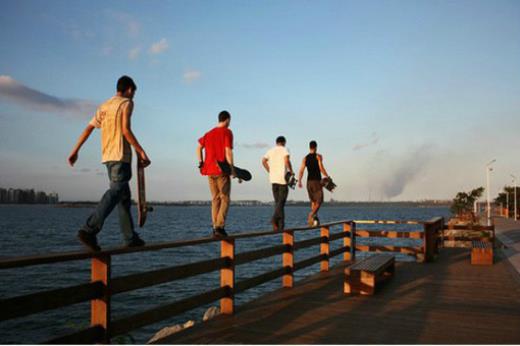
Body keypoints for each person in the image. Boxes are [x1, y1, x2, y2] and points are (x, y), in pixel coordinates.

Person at [68, 75, 151, 251]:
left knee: (123, 198)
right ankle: (89, 230)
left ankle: (130, 238)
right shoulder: (126, 103)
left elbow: (88, 128)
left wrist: (75, 150)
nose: (133, 96)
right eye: (133, 93)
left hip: (107, 156)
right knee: (115, 192)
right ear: (129, 89)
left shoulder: (103, 106)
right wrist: (141, 151)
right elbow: (125, 130)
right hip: (121, 155)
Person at [197, 111, 235, 237]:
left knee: (215, 199)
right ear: (227, 119)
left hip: (209, 171)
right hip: (221, 170)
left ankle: (215, 227)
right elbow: (228, 151)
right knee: (225, 198)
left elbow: (198, 148)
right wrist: (232, 169)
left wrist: (201, 162)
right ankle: (219, 227)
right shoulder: (227, 132)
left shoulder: (208, 134)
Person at [262, 136, 294, 231]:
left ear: (276, 142)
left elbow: (263, 161)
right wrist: (291, 171)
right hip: (282, 179)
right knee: (281, 202)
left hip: (273, 179)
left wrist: (269, 170)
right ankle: (274, 219)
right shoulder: (285, 149)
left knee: (278, 203)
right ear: (284, 142)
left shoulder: (270, 151)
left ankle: (280, 225)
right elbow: (287, 160)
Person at [297, 140, 329, 226]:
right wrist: (327, 176)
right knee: (319, 201)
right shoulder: (318, 156)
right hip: (316, 181)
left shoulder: (305, 158)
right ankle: (311, 215)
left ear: (309, 147)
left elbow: (301, 171)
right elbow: (321, 168)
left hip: (308, 182)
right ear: (316, 147)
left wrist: (299, 181)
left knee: (313, 201)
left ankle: (314, 219)